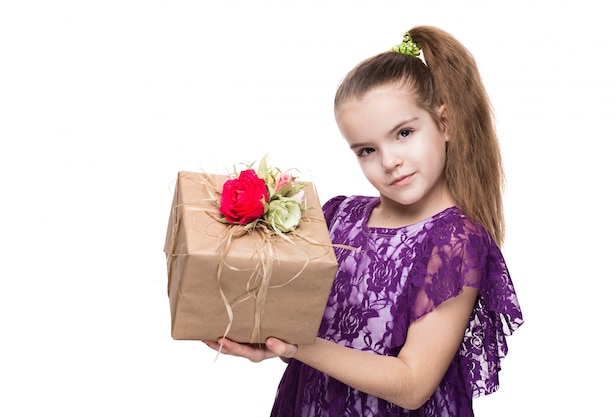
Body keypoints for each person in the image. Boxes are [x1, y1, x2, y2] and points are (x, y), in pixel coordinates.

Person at [204, 25, 524, 417]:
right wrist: (270, 341)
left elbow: (412, 384)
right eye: (367, 150)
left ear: (445, 124)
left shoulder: (454, 240)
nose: (389, 161)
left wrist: (298, 345)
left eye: (404, 133)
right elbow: (329, 345)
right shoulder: (338, 216)